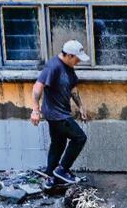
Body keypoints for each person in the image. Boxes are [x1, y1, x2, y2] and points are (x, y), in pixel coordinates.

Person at [31, 40, 90, 189]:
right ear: (69, 55)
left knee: (58, 144)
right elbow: (38, 86)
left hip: (60, 112)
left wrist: (80, 107)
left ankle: (51, 177)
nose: (78, 62)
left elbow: (73, 89)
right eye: (77, 59)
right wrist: (35, 110)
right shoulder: (53, 66)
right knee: (79, 138)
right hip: (56, 114)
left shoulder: (69, 67)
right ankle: (62, 170)